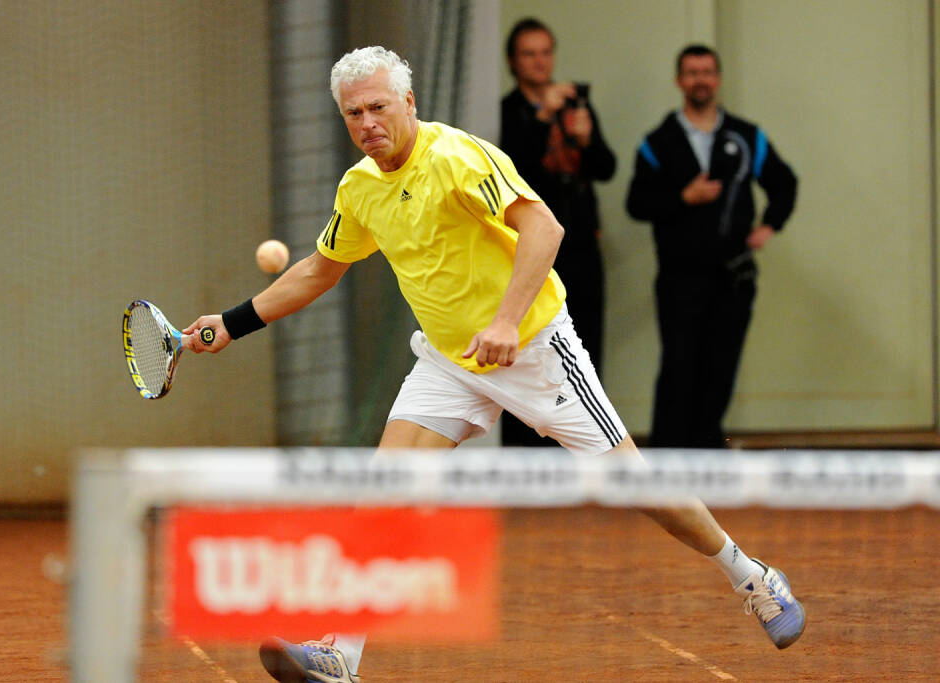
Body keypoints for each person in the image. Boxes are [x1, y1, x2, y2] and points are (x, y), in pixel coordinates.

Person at [183, 46, 805, 683]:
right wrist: (232, 324)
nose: (367, 122)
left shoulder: (456, 157)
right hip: (449, 363)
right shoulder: (361, 188)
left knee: (637, 487)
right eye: (353, 113)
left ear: (409, 104)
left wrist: (507, 319)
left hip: (534, 350)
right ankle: (341, 652)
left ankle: (750, 575)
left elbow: (545, 228)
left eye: (378, 106)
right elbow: (319, 269)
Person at [626, 44, 798, 449]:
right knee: (679, 367)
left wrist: (768, 226)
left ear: (717, 79)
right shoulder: (658, 143)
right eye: (691, 72)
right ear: (679, 80)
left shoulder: (746, 136)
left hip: (733, 278)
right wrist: (683, 198)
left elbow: (784, 183)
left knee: (720, 369)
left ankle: (708, 460)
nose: (700, 79)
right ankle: (668, 462)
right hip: (679, 279)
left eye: (707, 72)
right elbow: (637, 204)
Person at [499, 17, 616, 448]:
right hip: (528, 248)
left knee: (585, 345)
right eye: (529, 53)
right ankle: (526, 455)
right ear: (513, 61)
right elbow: (512, 168)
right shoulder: (507, 111)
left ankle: (588, 449)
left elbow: (606, 167)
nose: (540, 62)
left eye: (546, 52)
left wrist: (584, 139)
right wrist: (543, 115)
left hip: (581, 244)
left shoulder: (576, 106)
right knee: (528, 349)